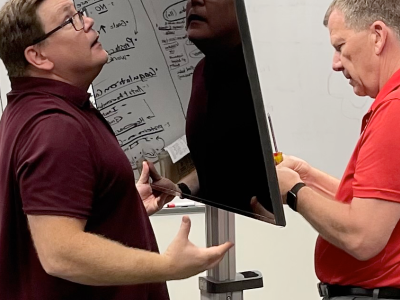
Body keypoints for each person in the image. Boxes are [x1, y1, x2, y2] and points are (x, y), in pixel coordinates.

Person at [0, 0, 233, 299]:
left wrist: (120, 206)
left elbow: (50, 214)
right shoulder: (55, 127)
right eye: (70, 20)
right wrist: (168, 266)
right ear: (38, 55)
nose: (89, 21)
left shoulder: (31, 110)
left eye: (79, 13)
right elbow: (60, 253)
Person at [275, 0, 400, 298]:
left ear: (378, 36)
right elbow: (374, 208)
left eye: (341, 46)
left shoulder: (394, 111)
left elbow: (363, 236)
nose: (336, 62)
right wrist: (308, 176)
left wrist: (294, 192)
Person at [182, 0, 275, 220]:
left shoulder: (269, 78)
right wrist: (181, 190)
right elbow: (218, 164)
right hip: (222, 235)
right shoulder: (202, 73)